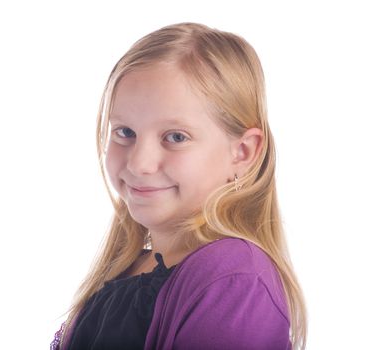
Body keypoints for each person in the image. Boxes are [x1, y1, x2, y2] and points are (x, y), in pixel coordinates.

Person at [51, 22, 307, 349]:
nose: (139, 163)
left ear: (242, 152)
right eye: (125, 132)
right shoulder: (129, 267)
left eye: (176, 137)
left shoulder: (235, 282)